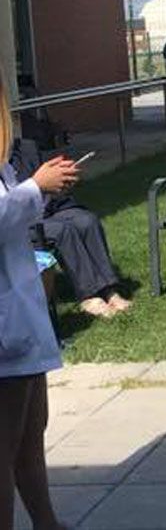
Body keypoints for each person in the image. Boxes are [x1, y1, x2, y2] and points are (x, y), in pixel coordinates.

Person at [1, 86, 77, 530]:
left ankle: (47, 523)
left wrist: (39, 188)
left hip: (19, 317)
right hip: (6, 329)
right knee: (5, 448)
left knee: (31, 435)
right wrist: (35, 187)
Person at [10, 140, 131, 319]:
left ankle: (109, 290)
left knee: (86, 221)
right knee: (62, 230)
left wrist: (59, 183)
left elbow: (47, 184)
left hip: (49, 207)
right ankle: (89, 295)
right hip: (17, 222)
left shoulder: (26, 148)